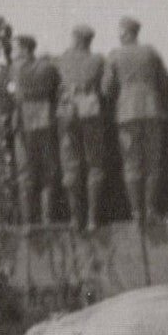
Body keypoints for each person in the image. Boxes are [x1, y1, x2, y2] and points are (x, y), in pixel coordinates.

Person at [105, 17, 168, 226]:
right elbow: (165, 81)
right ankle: (150, 209)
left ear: (125, 33)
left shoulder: (114, 56)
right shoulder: (151, 52)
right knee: (152, 162)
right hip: (151, 110)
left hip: (126, 114)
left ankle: (136, 213)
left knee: (131, 164)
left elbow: (107, 88)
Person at [57, 25, 111, 230]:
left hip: (68, 113)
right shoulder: (99, 60)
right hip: (90, 112)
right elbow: (106, 90)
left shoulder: (62, 59)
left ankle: (74, 218)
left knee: (70, 165)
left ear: (76, 40)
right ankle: (92, 219)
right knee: (94, 165)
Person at [10, 36, 62, 227]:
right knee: (48, 173)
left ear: (24, 49)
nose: (13, 52)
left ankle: (28, 222)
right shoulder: (48, 68)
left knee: (25, 174)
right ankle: (47, 219)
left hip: (23, 125)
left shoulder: (15, 69)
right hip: (46, 121)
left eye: (15, 48)